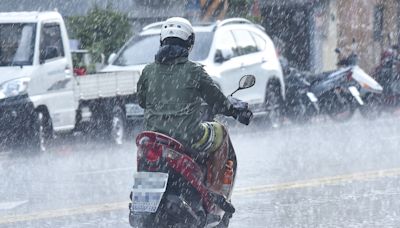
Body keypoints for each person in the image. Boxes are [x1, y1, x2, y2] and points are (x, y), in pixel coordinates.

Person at [137, 17, 238, 157]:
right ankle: (214, 178)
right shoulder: (195, 71)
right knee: (221, 132)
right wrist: (233, 109)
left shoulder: (148, 70)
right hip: (188, 137)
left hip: (154, 137)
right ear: (189, 43)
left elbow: (142, 102)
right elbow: (217, 101)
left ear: (162, 41)